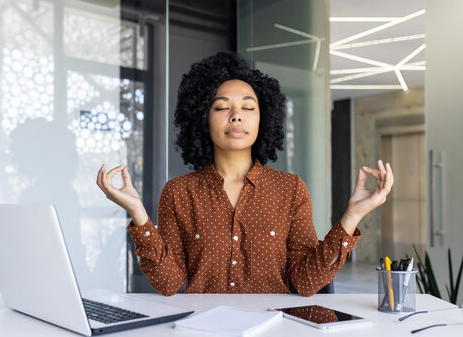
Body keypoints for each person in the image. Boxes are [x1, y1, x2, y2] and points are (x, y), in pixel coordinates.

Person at [97, 51, 394, 297]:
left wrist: (352, 216)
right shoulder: (178, 192)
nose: (236, 115)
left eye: (248, 107)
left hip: (273, 333)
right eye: (222, 107)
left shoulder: (290, 189)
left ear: (263, 118)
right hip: (202, 332)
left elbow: (305, 282)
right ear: (202, 119)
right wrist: (138, 213)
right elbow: (170, 283)